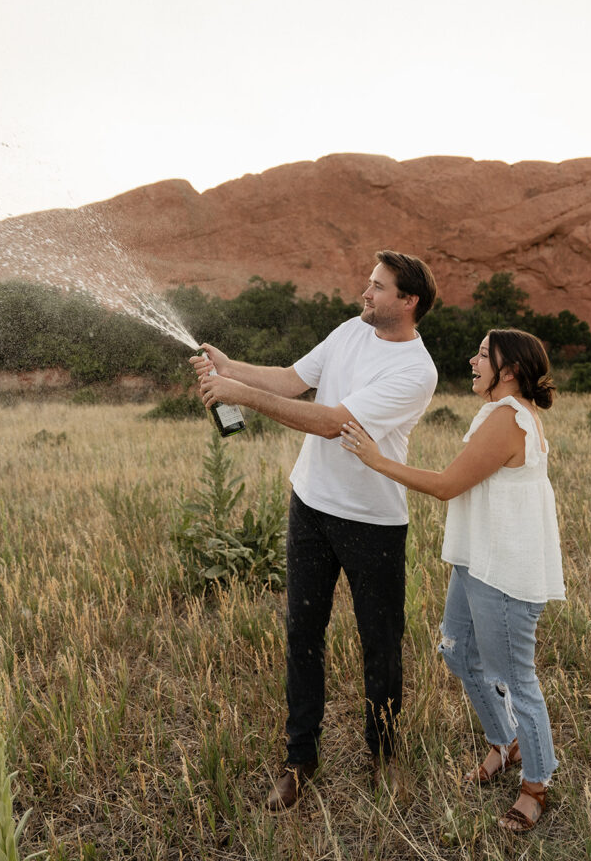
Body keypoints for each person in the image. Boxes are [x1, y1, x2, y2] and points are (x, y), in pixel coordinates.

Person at [191, 250, 438, 809]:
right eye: (369, 283)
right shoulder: (350, 330)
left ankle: (384, 757)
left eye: (378, 287)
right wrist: (231, 369)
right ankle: (300, 761)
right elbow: (291, 380)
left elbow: (334, 423)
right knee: (302, 636)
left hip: (373, 521)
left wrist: (241, 396)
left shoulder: (416, 370)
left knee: (380, 647)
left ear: (408, 301)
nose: (365, 293)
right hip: (310, 506)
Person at [341, 328, 565, 833]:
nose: (472, 360)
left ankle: (535, 784)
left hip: (504, 569)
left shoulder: (510, 418)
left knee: (517, 679)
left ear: (508, 371)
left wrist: (378, 460)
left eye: (483, 355)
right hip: (477, 560)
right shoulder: (500, 412)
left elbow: (446, 486)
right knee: (458, 652)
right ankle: (503, 743)